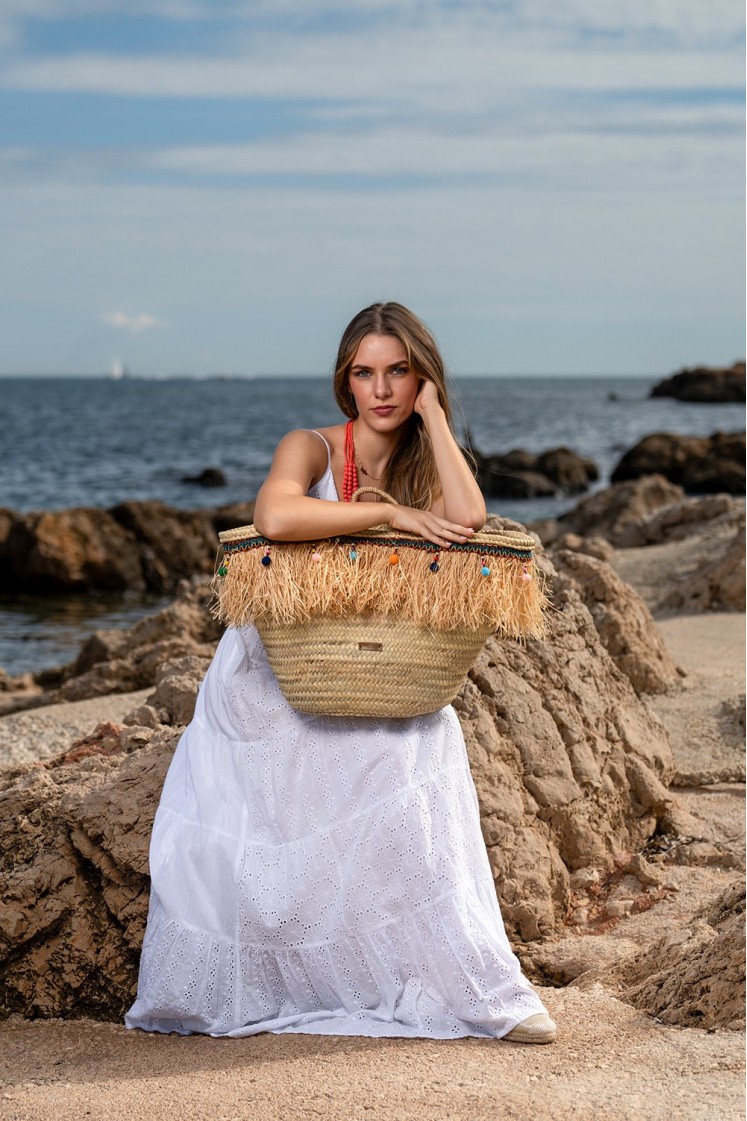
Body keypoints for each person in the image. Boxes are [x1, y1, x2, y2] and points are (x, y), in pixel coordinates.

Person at [124, 302, 556, 1044]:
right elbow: (276, 517)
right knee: (353, 763)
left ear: (421, 378)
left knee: (425, 742)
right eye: (364, 373)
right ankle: (311, 975)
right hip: (279, 670)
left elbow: (468, 517)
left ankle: (458, 978)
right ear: (344, 380)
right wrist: (389, 518)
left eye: (399, 372)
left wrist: (436, 418)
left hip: (380, 667)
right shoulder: (313, 446)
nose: (380, 389)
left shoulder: (424, 459)